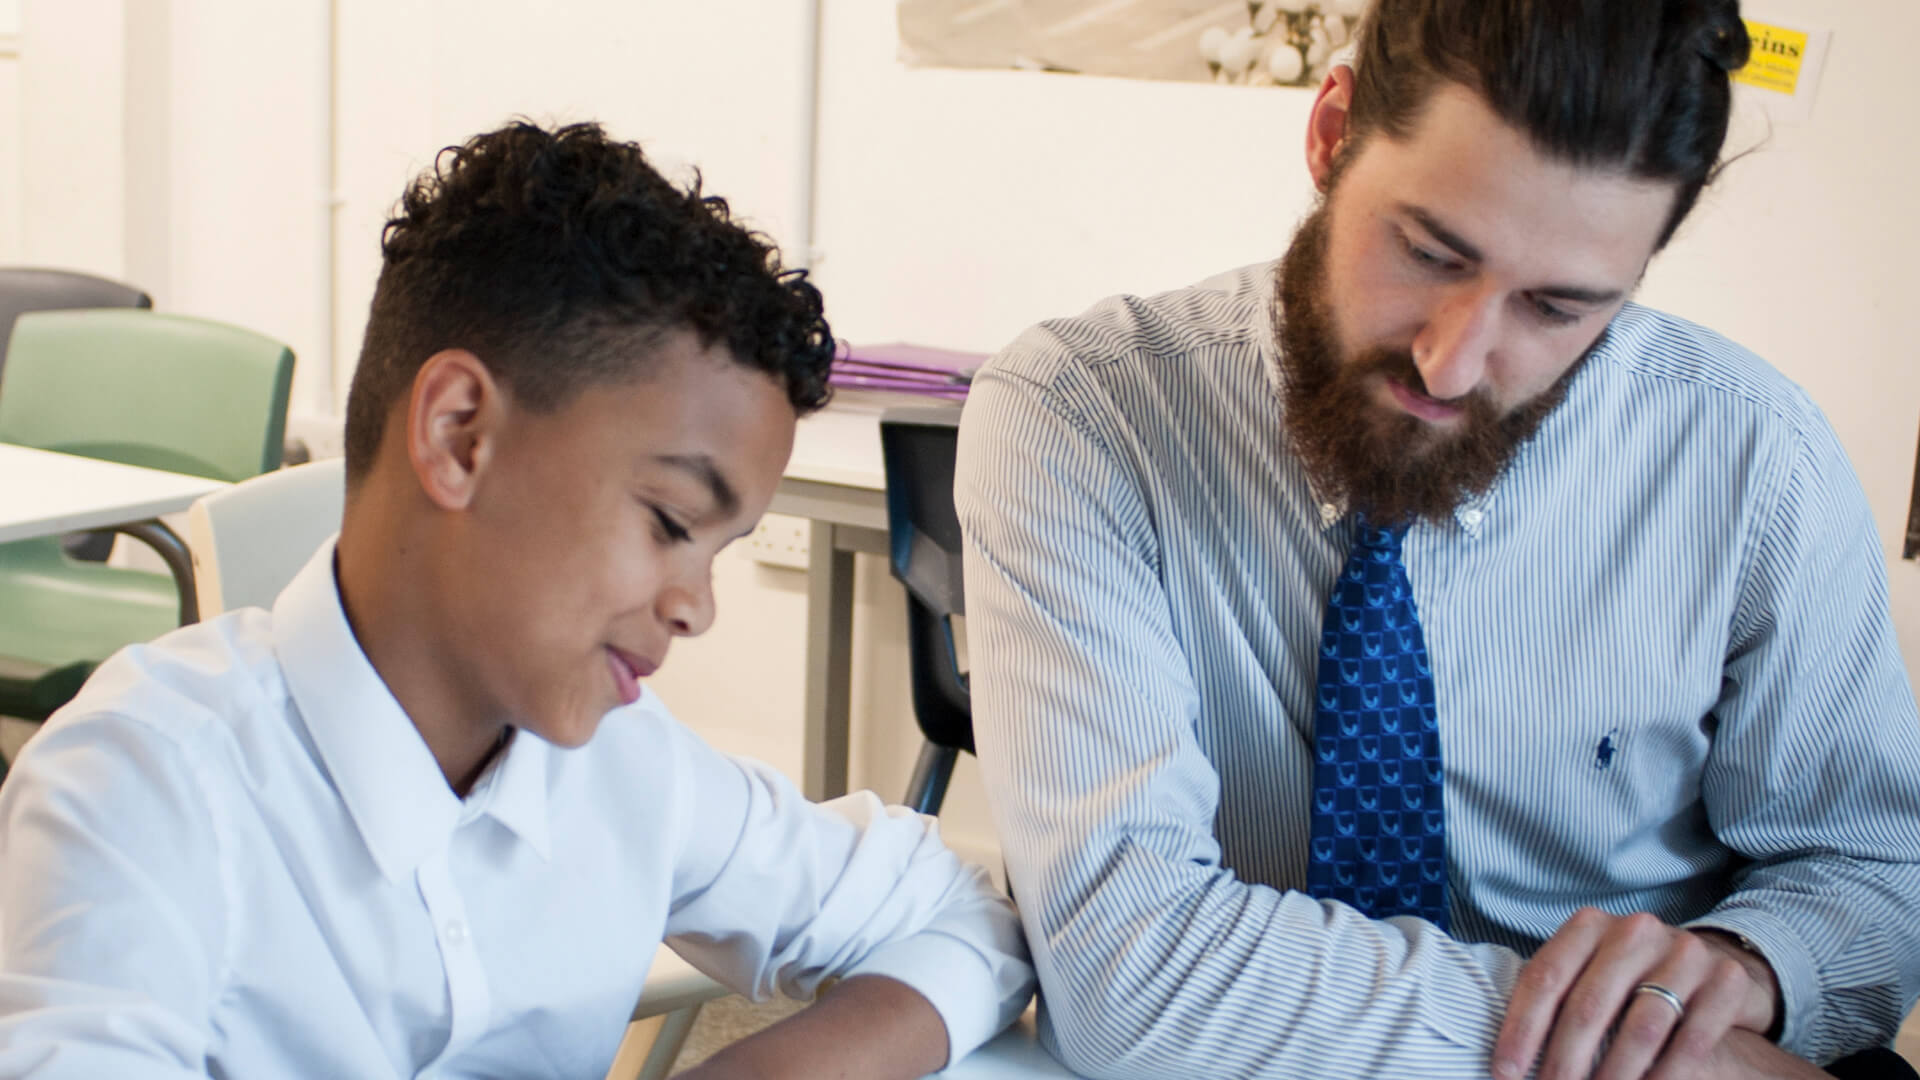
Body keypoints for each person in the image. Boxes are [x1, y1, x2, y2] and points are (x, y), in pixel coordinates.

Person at [954, 1, 1920, 1078]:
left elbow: (1872, 868)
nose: (1453, 365)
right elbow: (1124, 968)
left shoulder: (1757, 459)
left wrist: (1746, 970)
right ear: (1331, 135)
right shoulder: (1086, 417)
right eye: (1426, 251)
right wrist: (1648, 1053)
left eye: (1557, 308)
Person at [0, 120, 1032, 1079]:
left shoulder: (626, 764)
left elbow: (962, 917)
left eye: (722, 552)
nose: (696, 607)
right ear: (460, 437)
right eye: (672, 522)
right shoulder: (144, 789)